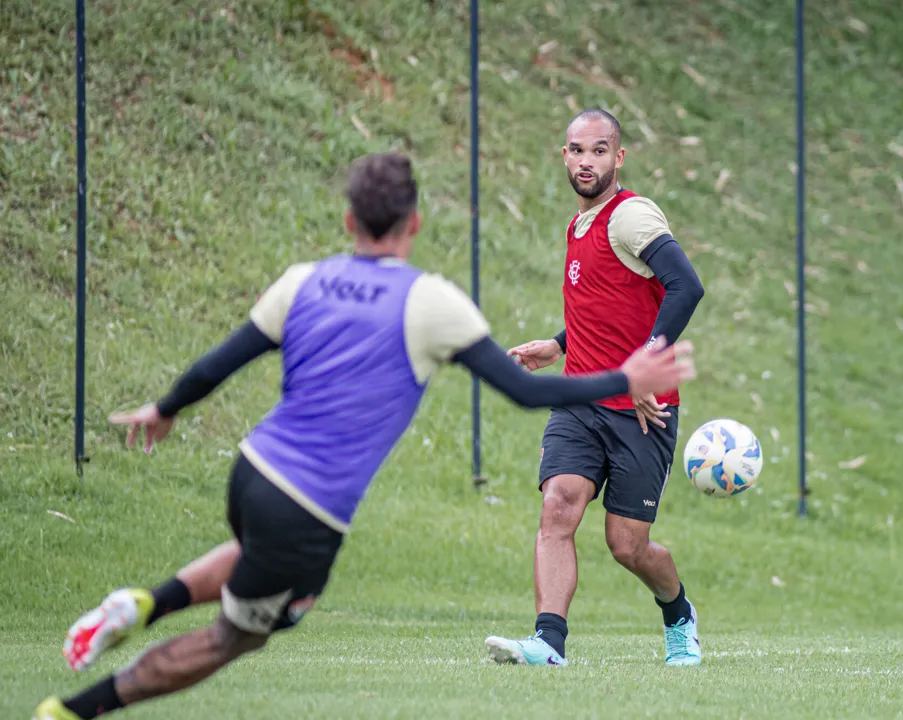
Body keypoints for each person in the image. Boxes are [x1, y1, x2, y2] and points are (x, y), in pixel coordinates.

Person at [33, 151, 696, 719]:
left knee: (252, 554)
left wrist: (166, 408)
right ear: (414, 224)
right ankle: (72, 709)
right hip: (311, 508)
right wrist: (624, 377)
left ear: (349, 221)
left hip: (253, 470)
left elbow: (218, 364)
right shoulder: (430, 302)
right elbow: (524, 392)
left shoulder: (304, 279)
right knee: (236, 638)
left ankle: (147, 599)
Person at [484, 110, 706, 668]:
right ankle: (548, 643)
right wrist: (559, 345)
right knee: (558, 507)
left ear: (619, 158)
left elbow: (686, 286)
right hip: (581, 398)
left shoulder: (630, 215)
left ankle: (678, 613)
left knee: (627, 545)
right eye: (577, 151)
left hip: (643, 411)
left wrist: (644, 365)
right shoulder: (578, 225)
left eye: (600, 151)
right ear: (564, 156)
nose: (587, 162)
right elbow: (608, 303)